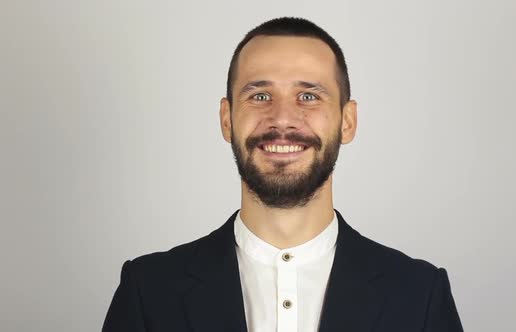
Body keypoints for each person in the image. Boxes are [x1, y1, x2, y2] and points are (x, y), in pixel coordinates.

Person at [102, 17, 463, 332]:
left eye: (308, 96)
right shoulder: (148, 292)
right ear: (227, 119)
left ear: (347, 121)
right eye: (259, 96)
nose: (282, 119)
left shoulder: (420, 294)